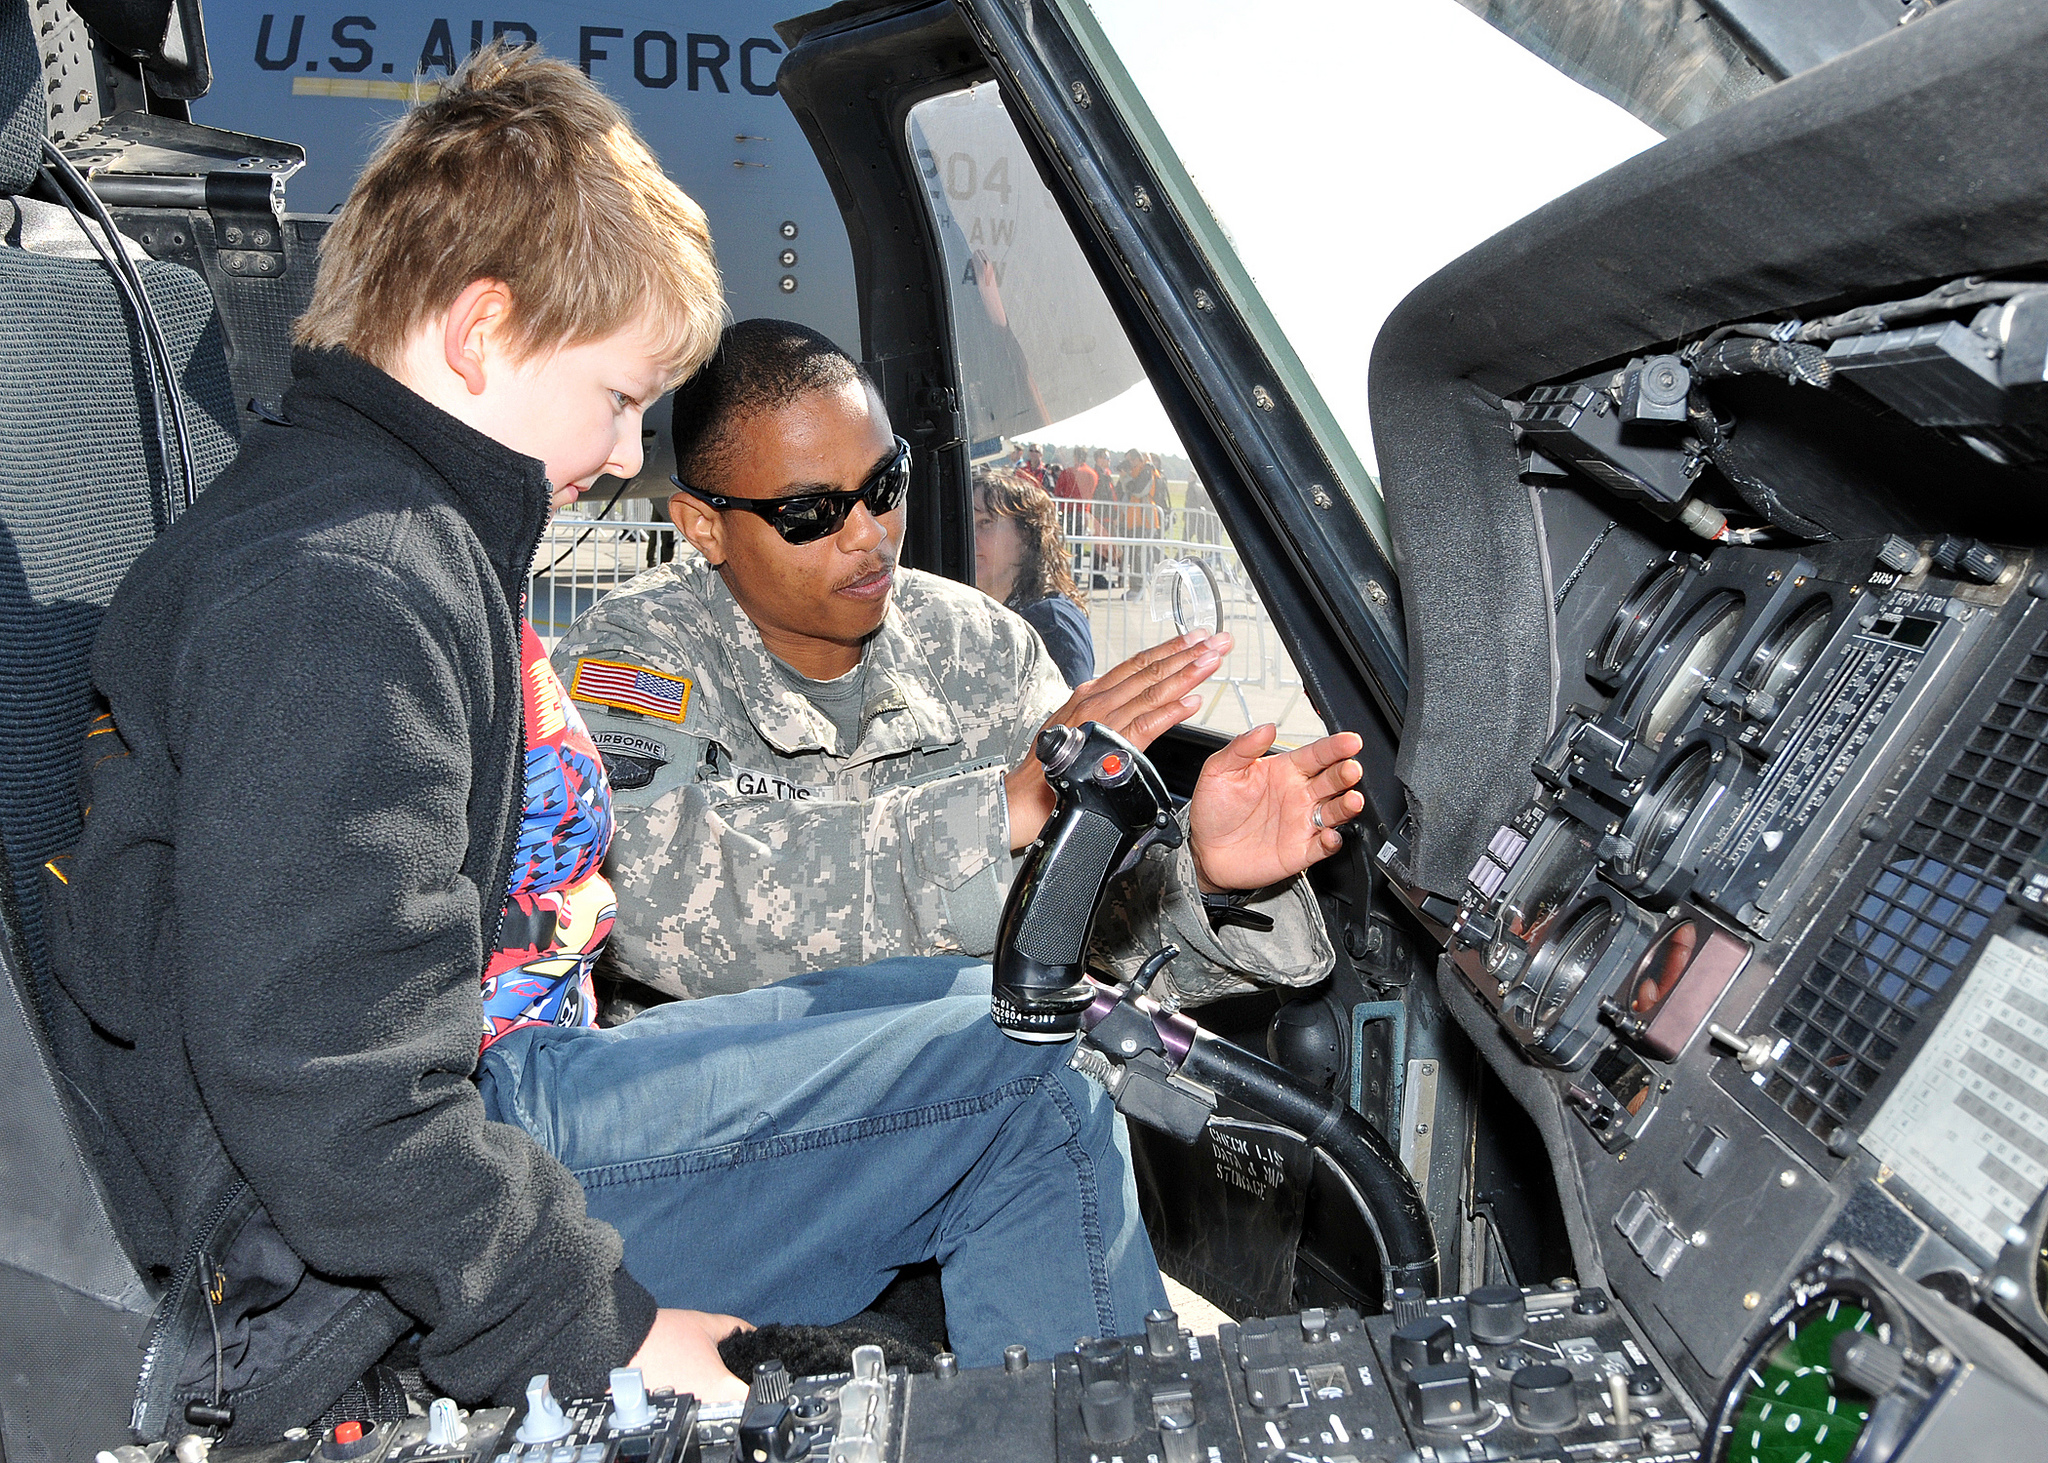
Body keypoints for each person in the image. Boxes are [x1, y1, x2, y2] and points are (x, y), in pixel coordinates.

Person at [34, 49, 1221, 1436]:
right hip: (336, 1259)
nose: (622, 452)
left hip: (434, 1124)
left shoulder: (367, 527)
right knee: (1030, 1089)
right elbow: (332, 1101)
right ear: (481, 332)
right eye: (613, 397)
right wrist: (610, 1330)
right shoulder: (347, 587)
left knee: (1003, 1016)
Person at [551, 319, 1367, 1006]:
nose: (869, 533)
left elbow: (1084, 936)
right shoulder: (632, 659)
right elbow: (657, 904)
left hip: (961, 1108)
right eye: (811, 512)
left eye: (885, 483)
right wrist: (1004, 810)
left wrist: (1202, 877)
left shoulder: (982, 649)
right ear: (702, 526)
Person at [973, 464, 1094, 687]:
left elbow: (1070, 718)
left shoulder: (1050, 622)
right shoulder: (994, 611)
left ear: (1026, 535)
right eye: (968, 525)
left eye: (985, 523)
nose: (970, 537)